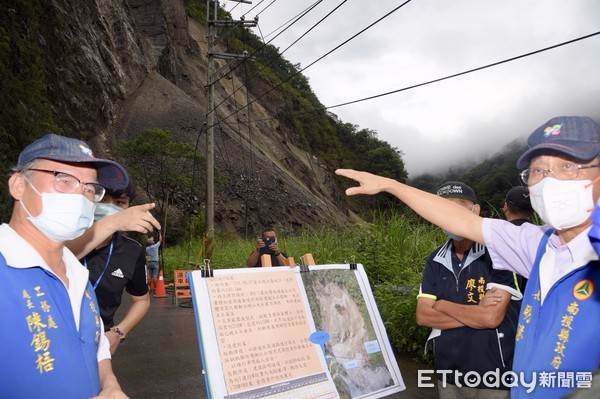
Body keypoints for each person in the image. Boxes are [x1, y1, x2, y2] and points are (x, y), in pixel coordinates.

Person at [336, 115, 600, 398]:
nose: (550, 182)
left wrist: (444, 305)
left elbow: (489, 317)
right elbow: (459, 223)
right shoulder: (534, 243)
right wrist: (390, 185)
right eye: (538, 171)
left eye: (568, 166)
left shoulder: (558, 248)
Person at [0, 133, 128, 398]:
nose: (81, 197)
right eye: (65, 180)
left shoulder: (78, 273)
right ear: (18, 186)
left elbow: (95, 347)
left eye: (90, 189)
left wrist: (110, 384)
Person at [417, 181, 523, 398]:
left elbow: (491, 318)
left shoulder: (499, 252)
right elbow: (423, 315)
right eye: (441, 210)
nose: (447, 216)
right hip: (447, 374)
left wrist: (442, 305)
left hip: (493, 376)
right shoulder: (435, 259)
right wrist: (476, 313)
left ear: (475, 210)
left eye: (455, 208)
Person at [83, 184, 150, 355]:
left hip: (97, 347)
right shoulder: (61, 238)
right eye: (103, 199)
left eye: (120, 202)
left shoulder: (132, 251)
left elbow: (142, 300)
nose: (109, 207)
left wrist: (118, 333)